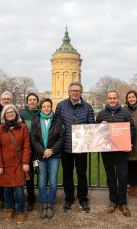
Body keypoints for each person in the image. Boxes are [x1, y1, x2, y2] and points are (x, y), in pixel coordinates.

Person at [55, 82, 95, 213]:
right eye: (73, 90)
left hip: (81, 147)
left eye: (77, 90)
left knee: (82, 174)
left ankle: (83, 199)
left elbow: (91, 126)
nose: (75, 92)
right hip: (65, 147)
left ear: (81, 92)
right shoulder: (61, 106)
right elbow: (56, 124)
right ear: (69, 92)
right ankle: (69, 198)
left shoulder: (88, 107)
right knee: (67, 174)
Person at [96, 90, 135, 217]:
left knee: (122, 177)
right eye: (110, 98)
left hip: (121, 151)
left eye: (114, 98)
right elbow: (96, 131)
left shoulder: (125, 113)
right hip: (107, 151)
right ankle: (113, 201)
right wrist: (100, 125)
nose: (112, 100)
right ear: (107, 99)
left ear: (117, 99)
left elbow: (132, 129)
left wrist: (130, 143)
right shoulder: (101, 114)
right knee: (110, 176)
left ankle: (122, 203)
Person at [0, 104, 31, 224]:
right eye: (7, 112)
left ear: (16, 114)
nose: (10, 114)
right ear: (4, 115)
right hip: (4, 163)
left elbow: (26, 145)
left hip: (18, 162)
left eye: (12, 112)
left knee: (19, 190)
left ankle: (20, 210)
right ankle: (10, 208)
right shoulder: (0, 128)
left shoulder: (22, 126)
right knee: (7, 189)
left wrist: (25, 162)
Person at [30, 98, 64, 219]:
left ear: (51, 107)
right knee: (42, 182)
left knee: (53, 181)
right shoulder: (36, 120)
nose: (46, 108)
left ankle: (50, 204)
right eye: (44, 106)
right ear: (41, 107)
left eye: (48, 106)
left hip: (54, 155)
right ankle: (44, 203)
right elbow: (33, 139)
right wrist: (43, 151)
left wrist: (51, 150)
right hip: (40, 155)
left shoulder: (57, 120)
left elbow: (61, 138)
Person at [123, 90, 137, 198]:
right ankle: (131, 187)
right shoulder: (123, 110)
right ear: (127, 99)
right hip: (125, 142)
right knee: (128, 166)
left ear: (136, 98)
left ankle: (136, 187)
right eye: (129, 97)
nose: (131, 99)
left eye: (133, 97)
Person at [19, 93, 40, 211]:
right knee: (29, 176)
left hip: (40, 150)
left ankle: (43, 197)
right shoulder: (22, 114)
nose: (32, 101)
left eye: (34, 100)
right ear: (27, 102)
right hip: (28, 150)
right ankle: (31, 198)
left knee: (42, 175)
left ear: (37, 101)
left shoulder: (42, 113)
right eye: (30, 100)